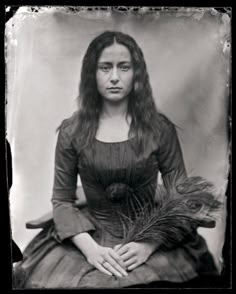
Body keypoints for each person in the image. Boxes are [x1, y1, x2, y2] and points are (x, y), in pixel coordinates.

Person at [13, 31, 220, 288]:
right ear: (92, 74)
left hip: (149, 233)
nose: (114, 77)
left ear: (137, 74)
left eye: (124, 67)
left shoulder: (159, 129)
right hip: (89, 235)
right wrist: (91, 250)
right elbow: (62, 201)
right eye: (104, 68)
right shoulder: (72, 131)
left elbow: (181, 196)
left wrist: (148, 245)